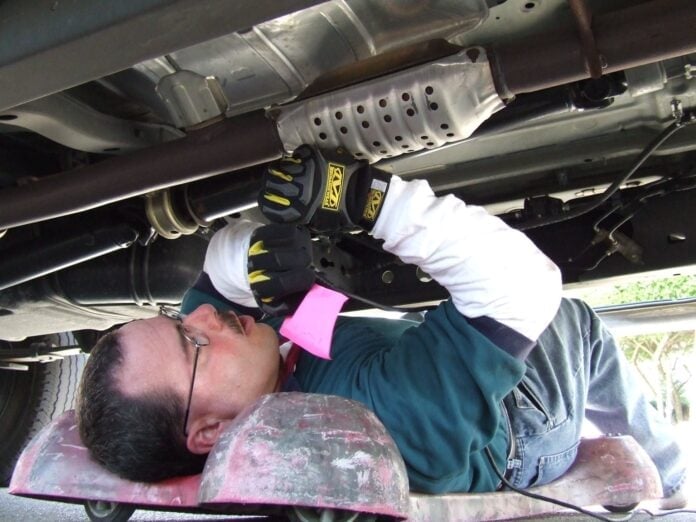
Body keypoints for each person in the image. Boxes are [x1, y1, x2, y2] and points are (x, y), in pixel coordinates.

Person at [76, 145, 686, 508]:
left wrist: (261, 264)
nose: (202, 315)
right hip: (521, 432)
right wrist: (370, 199)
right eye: (191, 340)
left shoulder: (248, 383)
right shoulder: (364, 426)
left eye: (176, 319)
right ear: (208, 431)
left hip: (402, 373)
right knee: (573, 323)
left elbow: (215, 268)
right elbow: (523, 286)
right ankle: (677, 483)